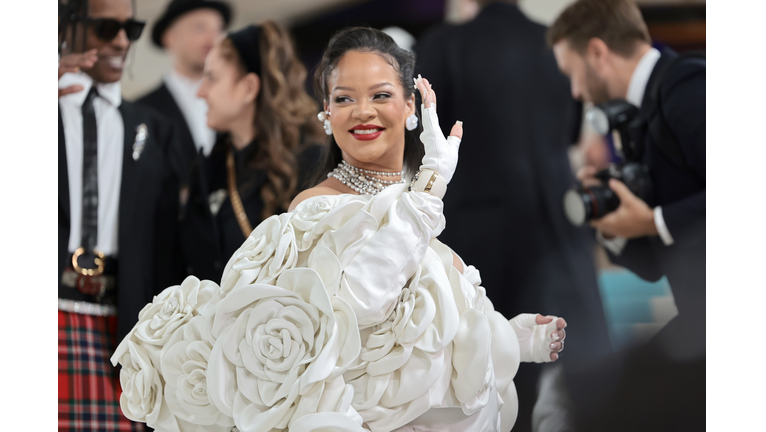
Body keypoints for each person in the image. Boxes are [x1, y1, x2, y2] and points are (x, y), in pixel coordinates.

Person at [112, 27, 568, 432]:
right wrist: (429, 189)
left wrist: (515, 338)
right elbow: (359, 306)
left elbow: (432, 329)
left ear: (410, 105)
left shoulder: (414, 203)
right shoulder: (317, 207)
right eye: (345, 99)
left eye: (381, 95)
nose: (363, 112)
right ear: (326, 113)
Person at [414, 1, 613, 430]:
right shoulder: (554, 42)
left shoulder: (445, 45)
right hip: (558, 222)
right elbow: (571, 129)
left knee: (492, 377)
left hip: (481, 234)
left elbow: (428, 137)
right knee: (591, 372)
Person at [548, 0, 705, 430]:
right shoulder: (636, 116)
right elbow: (652, 267)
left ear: (597, 52)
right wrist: (614, 224)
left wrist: (654, 221)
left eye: (572, 73)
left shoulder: (687, 86)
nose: (575, 92)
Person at [57, 0, 188, 430]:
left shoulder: (155, 129)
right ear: (67, 28)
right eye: (105, 28)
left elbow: (165, 247)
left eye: (129, 30)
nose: (120, 41)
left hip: (126, 327)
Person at [171, 22, 324, 284]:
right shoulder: (209, 169)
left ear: (249, 88)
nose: (201, 92)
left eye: (212, 78)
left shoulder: (313, 163)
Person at [137, 0, 231, 159]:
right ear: (170, 38)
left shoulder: (236, 102)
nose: (213, 39)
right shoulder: (143, 111)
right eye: (200, 28)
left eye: (219, 29)